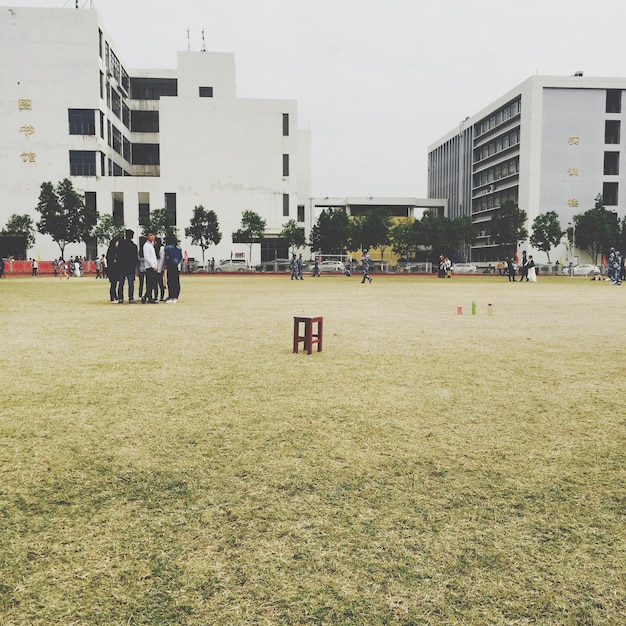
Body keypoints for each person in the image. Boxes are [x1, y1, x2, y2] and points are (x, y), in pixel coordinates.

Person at [116, 229, 138, 304]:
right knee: (131, 283)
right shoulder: (134, 246)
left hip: (121, 266)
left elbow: (118, 256)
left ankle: (120, 298)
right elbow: (135, 258)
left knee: (121, 283)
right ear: (132, 236)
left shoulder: (120, 244)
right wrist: (134, 267)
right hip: (130, 267)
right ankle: (131, 298)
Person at [164, 233, 183, 302]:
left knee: (170, 281)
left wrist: (166, 264)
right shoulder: (178, 248)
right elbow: (181, 257)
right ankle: (176, 296)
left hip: (170, 266)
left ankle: (171, 296)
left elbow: (167, 257)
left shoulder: (168, 247)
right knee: (176, 281)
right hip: (176, 266)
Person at [142, 233, 158, 303]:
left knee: (152, 283)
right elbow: (147, 257)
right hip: (150, 267)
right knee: (150, 283)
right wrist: (153, 265)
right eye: (150, 235)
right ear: (147, 237)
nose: (152, 237)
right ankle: (147, 297)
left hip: (153, 266)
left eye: (153, 235)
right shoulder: (146, 246)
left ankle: (147, 297)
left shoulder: (151, 245)